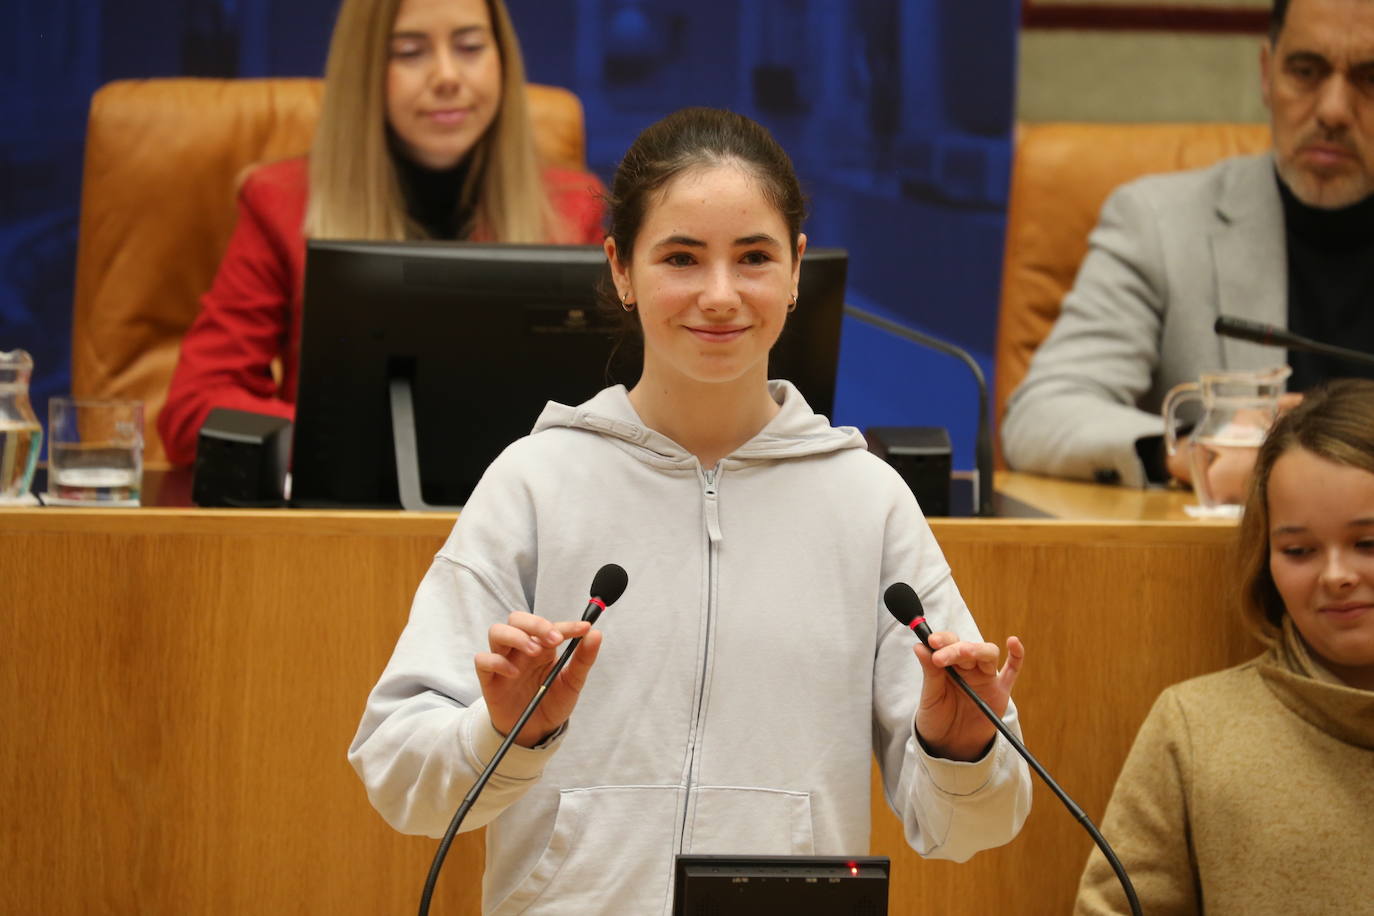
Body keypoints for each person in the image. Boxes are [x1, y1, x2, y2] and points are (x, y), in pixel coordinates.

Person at [349, 107, 1032, 913]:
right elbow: (397, 775)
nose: (719, 295)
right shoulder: (534, 484)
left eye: (753, 258)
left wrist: (963, 748)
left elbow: (971, 827)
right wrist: (501, 732)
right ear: (620, 270)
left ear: (797, 269)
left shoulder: (868, 501)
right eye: (680, 257)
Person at [157, 0, 607, 466]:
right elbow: (193, 411)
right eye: (411, 53)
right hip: (344, 526)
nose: (448, 76)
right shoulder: (281, 204)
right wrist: (360, 446)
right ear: (363, 69)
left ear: (503, 60)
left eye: (470, 46)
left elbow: (615, 408)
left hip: (521, 527)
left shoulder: (574, 210)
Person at [1001, 0, 1374, 491]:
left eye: (1369, 78)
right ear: (1266, 75)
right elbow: (1041, 414)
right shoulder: (1159, 224)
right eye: (1306, 71)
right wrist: (1193, 452)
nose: (1332, 110)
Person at [1074, 378, 1374, 915]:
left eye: (1368, 543)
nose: (1337, 576)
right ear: (1266, 558)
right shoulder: (1195, 727)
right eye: (1300, 549)